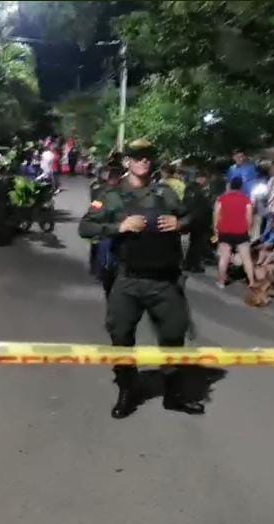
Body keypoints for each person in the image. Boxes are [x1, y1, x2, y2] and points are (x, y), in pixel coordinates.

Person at [78, 138, 204, 419]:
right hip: (128, 280)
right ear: (127, 161)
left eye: (147, 157)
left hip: (165, 281)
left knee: (173, 336)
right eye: (137, 157)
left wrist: (180, 223)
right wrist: (119, 226)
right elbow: (86, 227)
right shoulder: (110, 194)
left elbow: (193, 218)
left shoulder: (165, 193)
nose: (143, 161)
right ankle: (127, 389)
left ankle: (174, 395)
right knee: (120, 335)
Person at [89, 156, 126, 296]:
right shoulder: (100, 189)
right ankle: (99, 272)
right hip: (104, 225)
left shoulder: (117, 190)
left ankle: (101, 272)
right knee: (101, 249)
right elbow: (95, 206)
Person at [213, 176, 257, 289]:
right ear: (241, 187)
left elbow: (216, 215)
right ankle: (251, 282)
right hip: (241, 232)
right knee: (246, 258)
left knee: (224, 257)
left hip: (225, 231)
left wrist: (216, 229)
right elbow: (249, 217)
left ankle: (221, 281)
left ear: (230, 186)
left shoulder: (222, 199)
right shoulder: (246, 200)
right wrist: (249, 230)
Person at [182, 168, 216, 272]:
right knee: (197, 243)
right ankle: (195, 265)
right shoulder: (200, 191)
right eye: (206, 179)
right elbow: (203, 206)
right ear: (202, 178)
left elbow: (186, 203)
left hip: (191, 218)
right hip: (199, 220)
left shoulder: (189, 188)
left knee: (194, 242)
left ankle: (187, 264)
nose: (207, 182)